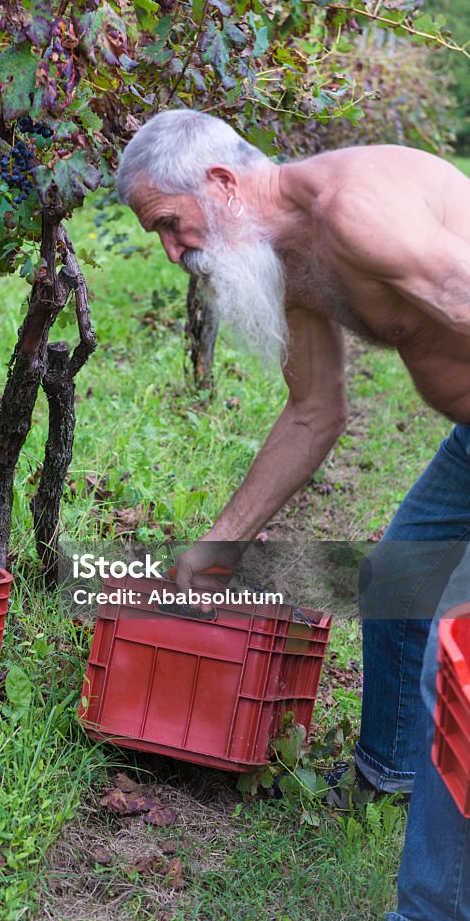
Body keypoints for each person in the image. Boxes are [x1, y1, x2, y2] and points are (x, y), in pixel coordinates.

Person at [115, 108, 470, 921]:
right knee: (391, 583)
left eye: (170, 225)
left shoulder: (356, 213)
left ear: (221, 182)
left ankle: (428, 910)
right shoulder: (290, 256)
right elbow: (314, 411)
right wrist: (219, 547)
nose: (173, 252)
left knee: (450, 670)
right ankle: (386, 782)